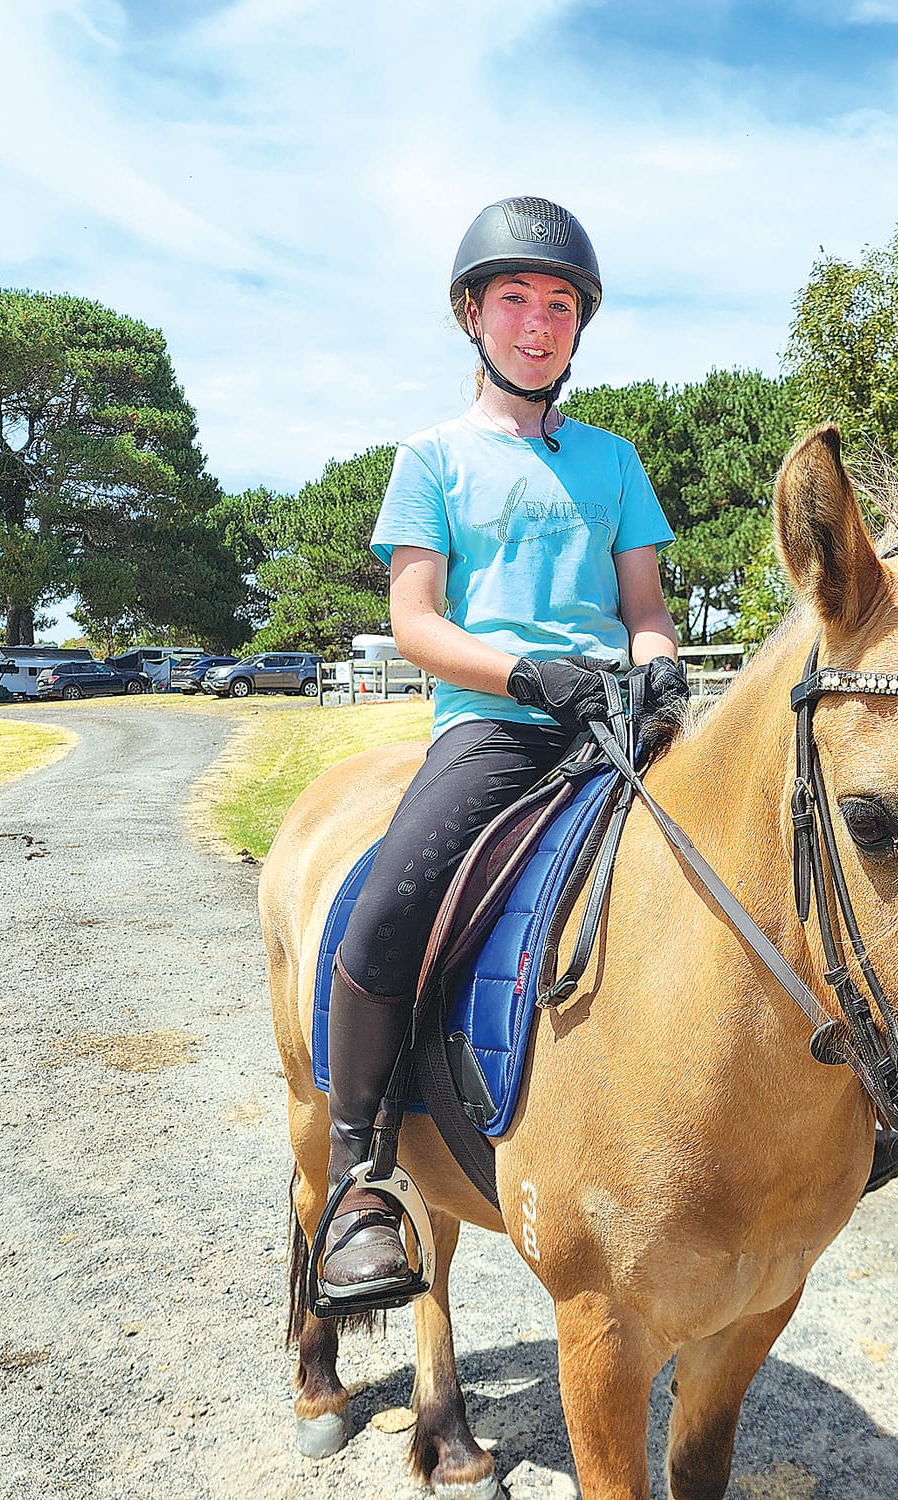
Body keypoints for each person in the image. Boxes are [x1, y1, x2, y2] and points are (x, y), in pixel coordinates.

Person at [318, 196, 689, 1307]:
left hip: (611, 722)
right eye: (515, 300)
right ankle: (358, 1180)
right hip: (491, 720)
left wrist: (656, 667)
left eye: (559, 304)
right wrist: (525, 674)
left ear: (580, 327)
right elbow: (415, 624)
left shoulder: (613, 461)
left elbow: (643, 604)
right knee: (390, 900)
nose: (538, 323)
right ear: (471, 317)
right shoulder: (431, 457)